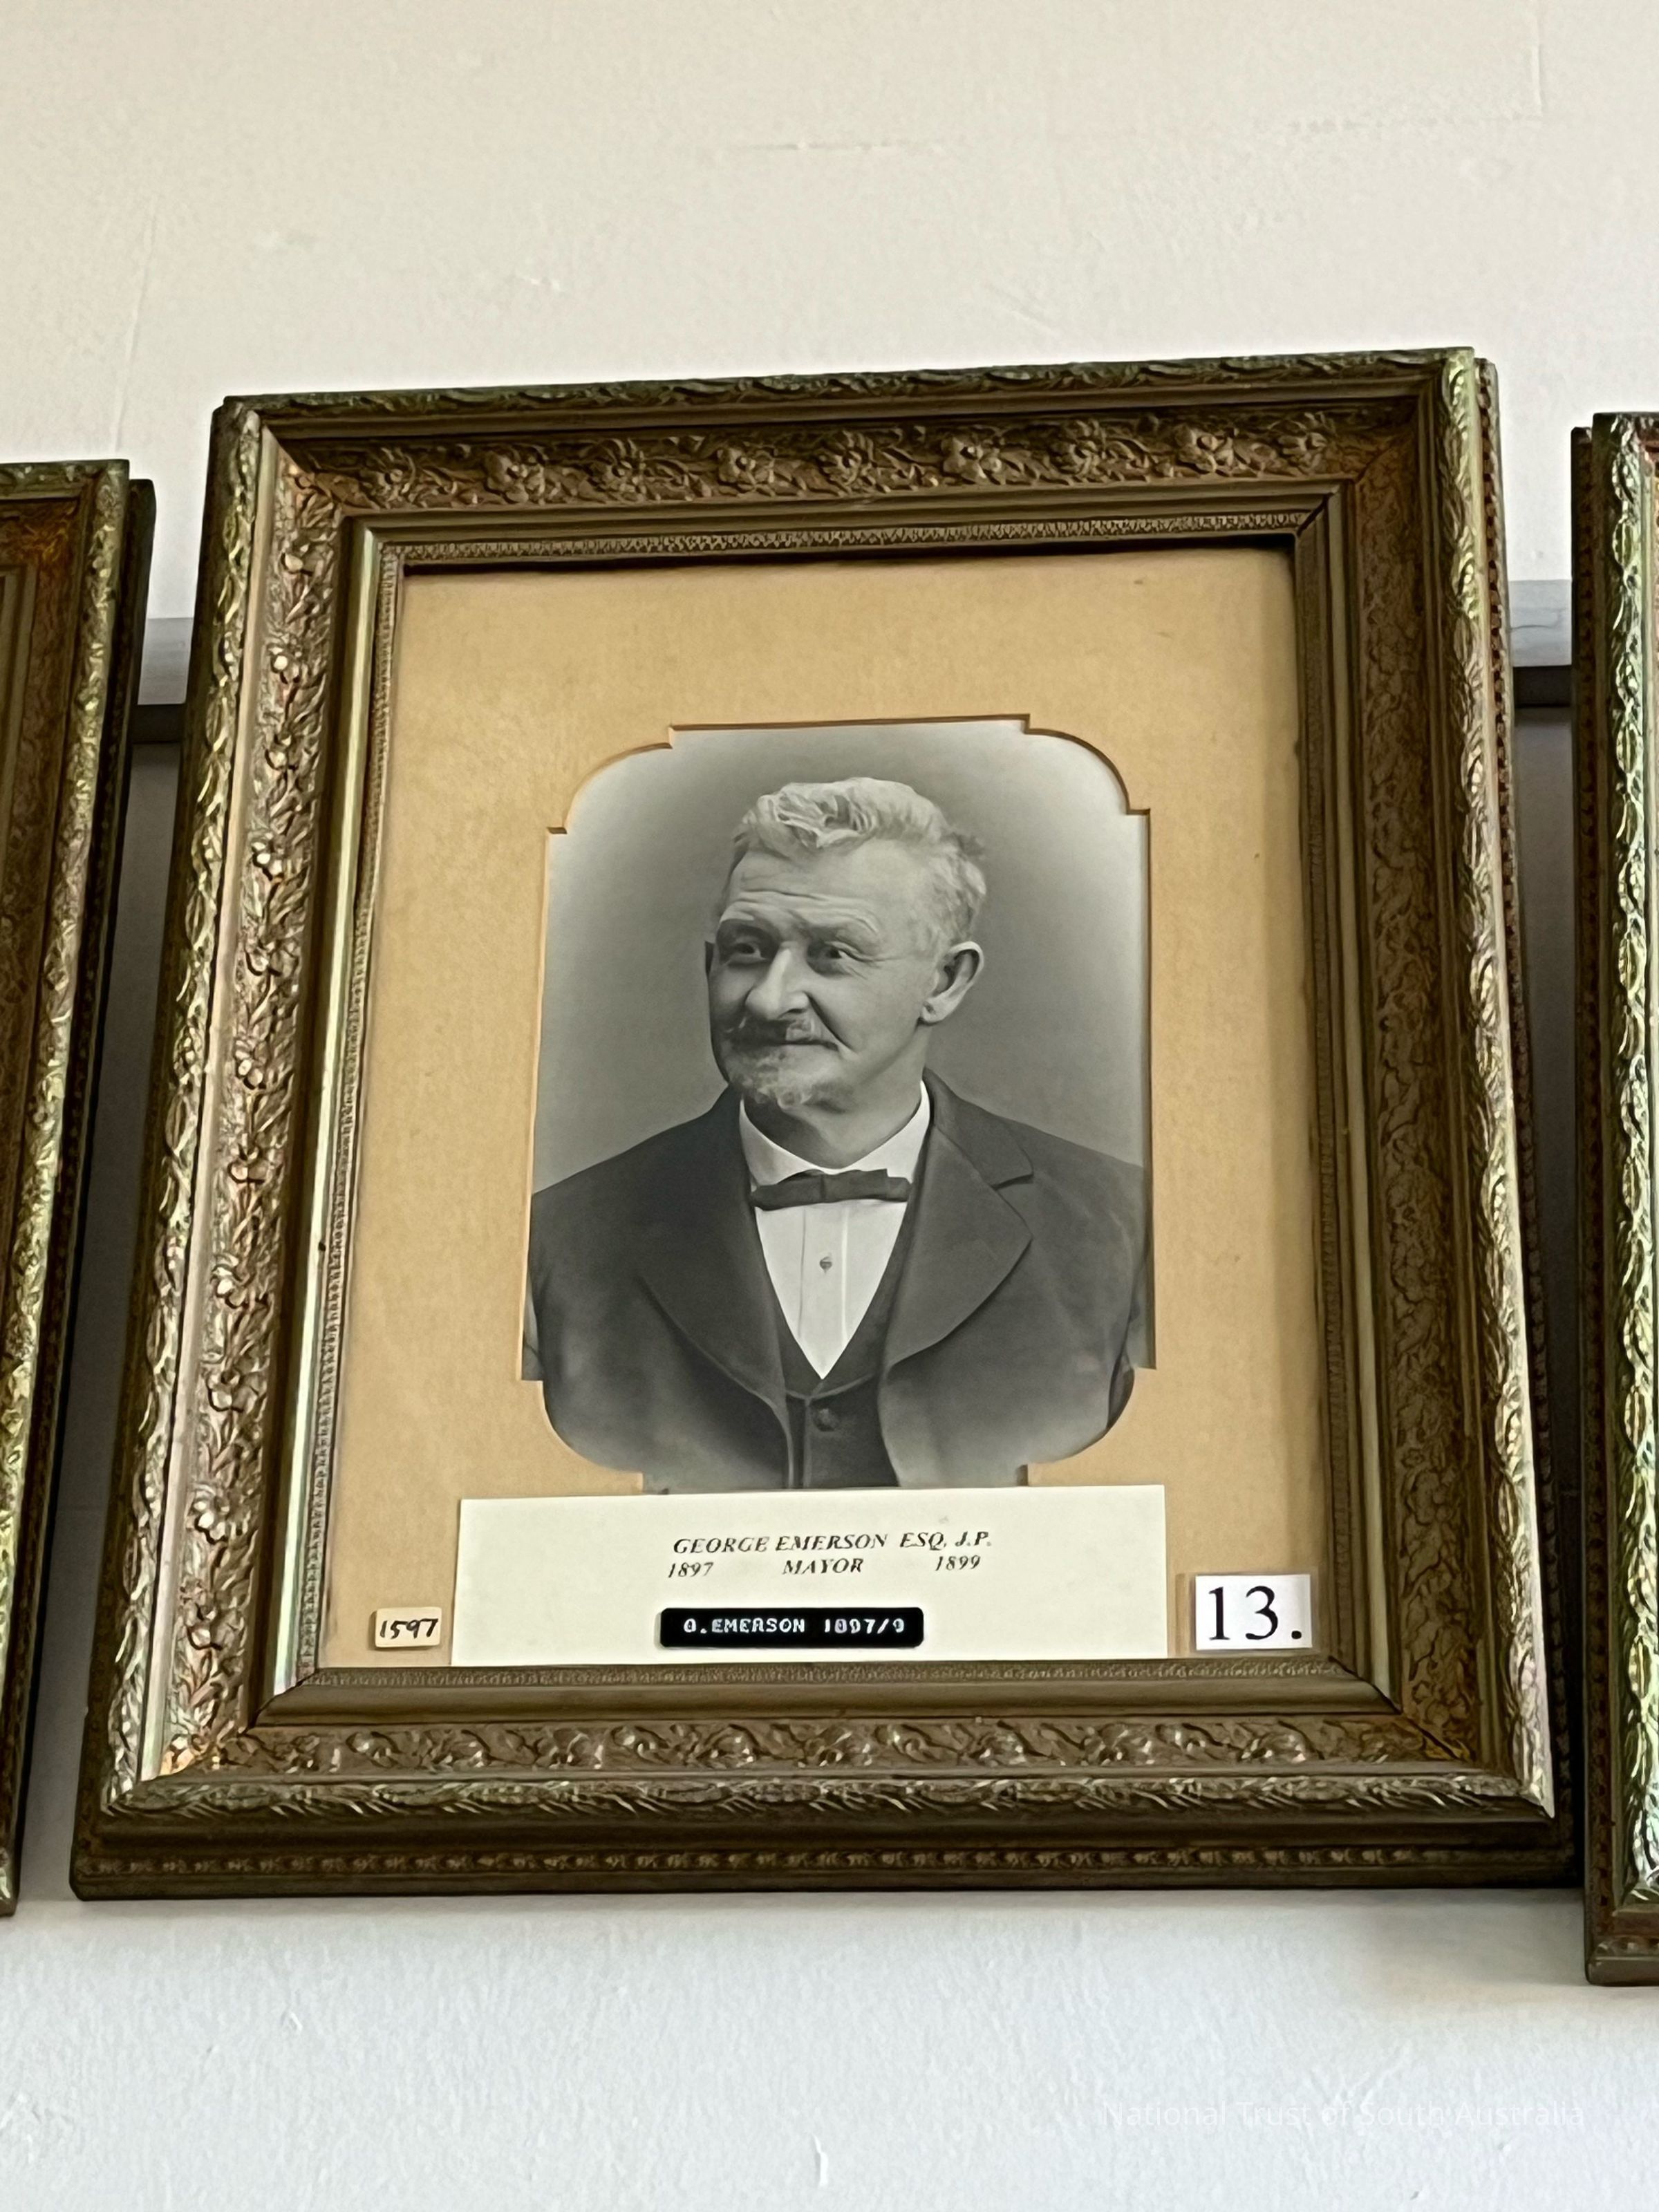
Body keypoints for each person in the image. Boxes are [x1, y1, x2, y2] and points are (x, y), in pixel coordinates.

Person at [524, 776, 1145, 1490]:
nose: (769, 999)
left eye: (834, 954)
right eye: (747, 950)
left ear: (945, 981)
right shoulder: (551, 1245)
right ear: (709, 964)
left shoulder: (1124, 1231)